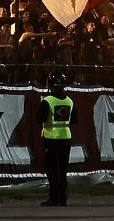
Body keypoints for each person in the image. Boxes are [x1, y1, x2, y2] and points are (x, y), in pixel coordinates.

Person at [36, 70, 78, 207]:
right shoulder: (69, 101)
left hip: (51, 138)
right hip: (65, 138)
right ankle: (63, 196)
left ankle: (55, 198)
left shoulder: (48, 100)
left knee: (53, 170)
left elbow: (39, 118)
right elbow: (75, 120)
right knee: (62, 169)